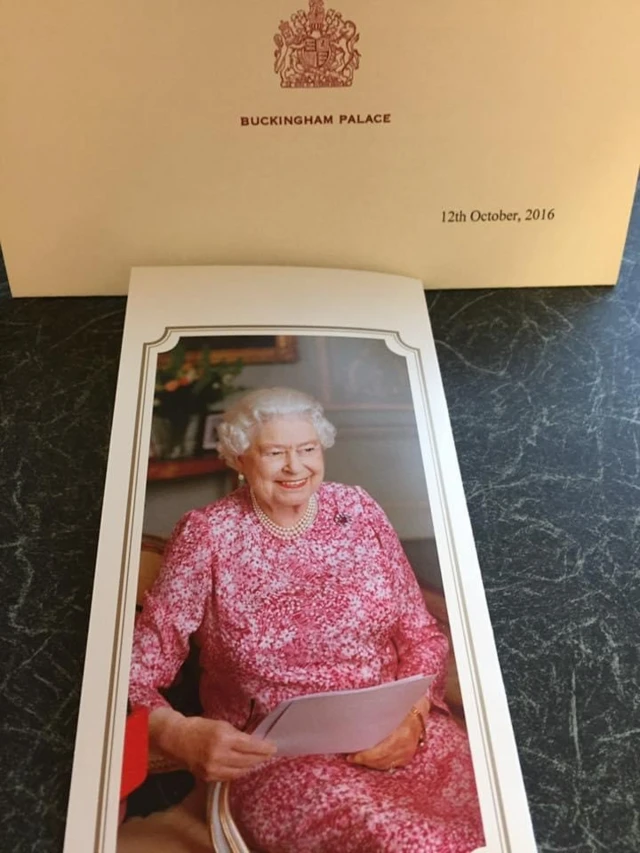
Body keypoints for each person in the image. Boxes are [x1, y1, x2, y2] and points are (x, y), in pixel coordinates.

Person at [119, 387, 484, 853]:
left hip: (403, 734)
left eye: (307, 449)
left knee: (498, 812)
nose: (295, 467)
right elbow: (134, 670)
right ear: (239, 458)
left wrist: (414, 718)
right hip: (280, 760)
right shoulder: (207, 536)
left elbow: (420, 633)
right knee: (399, 840)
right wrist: (177, 732)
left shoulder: (358, 511)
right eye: (274, 452)